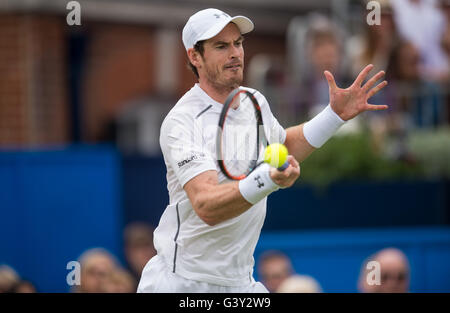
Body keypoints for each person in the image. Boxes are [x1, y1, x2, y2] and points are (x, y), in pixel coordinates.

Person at [137, 8, 388, 293]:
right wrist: (268, 180)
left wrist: (333, 116)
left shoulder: (253, 101)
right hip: (183, 283)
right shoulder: (181, 121)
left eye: (238, 43)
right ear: (195, 56)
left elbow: (282, 146)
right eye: (221, 46)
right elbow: (206, 205)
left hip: (240, 282)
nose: (235, 53)